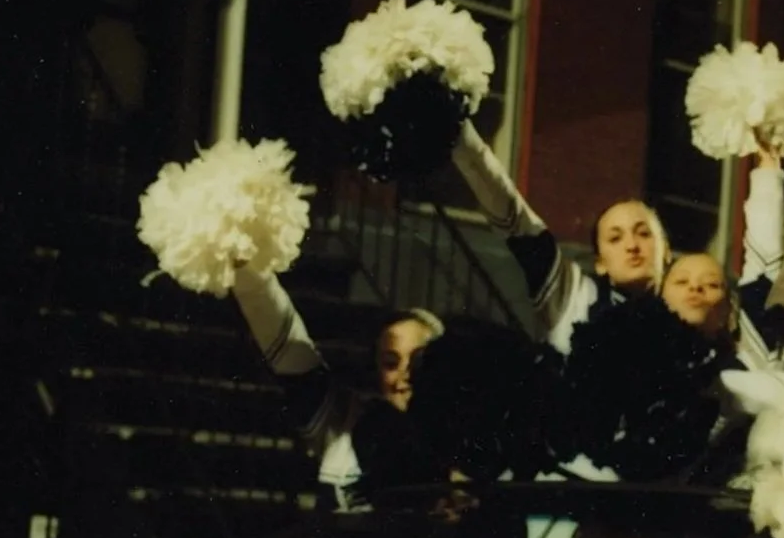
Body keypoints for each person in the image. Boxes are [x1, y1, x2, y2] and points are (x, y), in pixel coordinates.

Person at [232, 265, 443, 507]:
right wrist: (249, 272)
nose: (405, 375)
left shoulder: (466, 434)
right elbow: (289, 347)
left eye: (418, 361)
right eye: (390, 363)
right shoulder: (345, 420)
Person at [450, 120, 667, 352]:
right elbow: (515, 217)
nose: (632, 245)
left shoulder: (687, 305)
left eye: (644, 234)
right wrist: (461, 132)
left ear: (666, 250)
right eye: (615, 238)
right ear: (601, 263)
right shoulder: (576, 297)